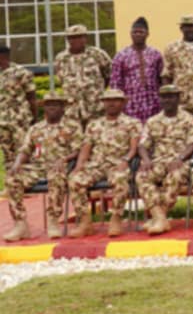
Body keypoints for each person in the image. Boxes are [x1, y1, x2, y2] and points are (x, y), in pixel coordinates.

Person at [3, 94, 82, 242]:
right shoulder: (35, 128)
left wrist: (64, 159)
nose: (52, 107)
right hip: (38, 168)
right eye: (48, 104)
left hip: (61, 166)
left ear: (63, 108)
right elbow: (25, 150)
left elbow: (78, 149)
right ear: (44, 108)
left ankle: (53, 220)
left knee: (56, 176)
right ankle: (20, 224)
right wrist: (17, 164)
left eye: (56, 104)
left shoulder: (72, 127)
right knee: (13, 178)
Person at [67, 88, 141, 238]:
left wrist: (126, 160)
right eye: (107, 100)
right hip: (97, 165)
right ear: (103, 103)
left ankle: (116, 218)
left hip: (118, 164)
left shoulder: (132, 123)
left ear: (123, 103)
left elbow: (134, 147)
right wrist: (79, 165)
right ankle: (85, 222)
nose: (111, 103)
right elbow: (86, 148)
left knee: (121, 179)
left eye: (115, 100)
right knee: (75, 179)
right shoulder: (94, 125)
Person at [135, 85, 193, 235]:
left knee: (175, 176)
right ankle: (160, 217)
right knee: (142, 176)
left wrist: (180, 158)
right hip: (158, 161)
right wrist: (145, 160)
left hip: (181, 161)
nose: (167, 100)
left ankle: (158, 218)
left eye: (171, 96)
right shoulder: (152, 121)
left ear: (178, 98)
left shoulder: (189, 119)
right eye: (164, 97)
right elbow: (143, 145)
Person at [54, 24, 112, 127]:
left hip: (95, 107)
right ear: (67, 40)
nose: (76, 40)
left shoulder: (97, 54)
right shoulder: (61, 58)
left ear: (86, 38)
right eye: (72, 37)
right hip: (72, 109)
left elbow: (108, 75)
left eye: (80, 36)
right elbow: (61, 80)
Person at [109, 17, 164, 122]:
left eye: (141, 32)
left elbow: (161, 79)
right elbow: (115, 84)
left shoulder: (155, 54)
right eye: (135, 32)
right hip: (130, 105)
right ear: (130, 34)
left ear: (147, 34)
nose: (138, 34)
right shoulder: (121, 56)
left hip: (153, 103)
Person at [0, 45, 37, 170]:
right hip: (2, 123)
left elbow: (31, 97)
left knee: (23, 151)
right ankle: (12, 183)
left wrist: (34, 118)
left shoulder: (21, 72)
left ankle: (27, 181)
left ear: (3, 56)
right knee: (7, 155)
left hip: (20, 121)